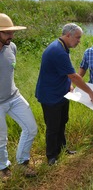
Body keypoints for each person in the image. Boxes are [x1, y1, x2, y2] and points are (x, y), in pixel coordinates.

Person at [35, 23, 93, 165]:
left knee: (62, 122)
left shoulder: (63, 47)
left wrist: (69, 85)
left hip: (62, 93)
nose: (79, 41)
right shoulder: (57, 51)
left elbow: (65, 73)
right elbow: (75, 76)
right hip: (50, 96)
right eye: (77, 38)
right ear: (68, 35)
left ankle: (62, 149)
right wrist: (91, 93)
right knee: (53, 127)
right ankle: (51, 156)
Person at [0, 13, 37, 180]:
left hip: (14, 97)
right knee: (1, 139)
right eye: (7, 33)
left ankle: (22, 163)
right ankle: (3, 167)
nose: (11, 36)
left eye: (12, 32)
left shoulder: (12, 47)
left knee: (31, 128)